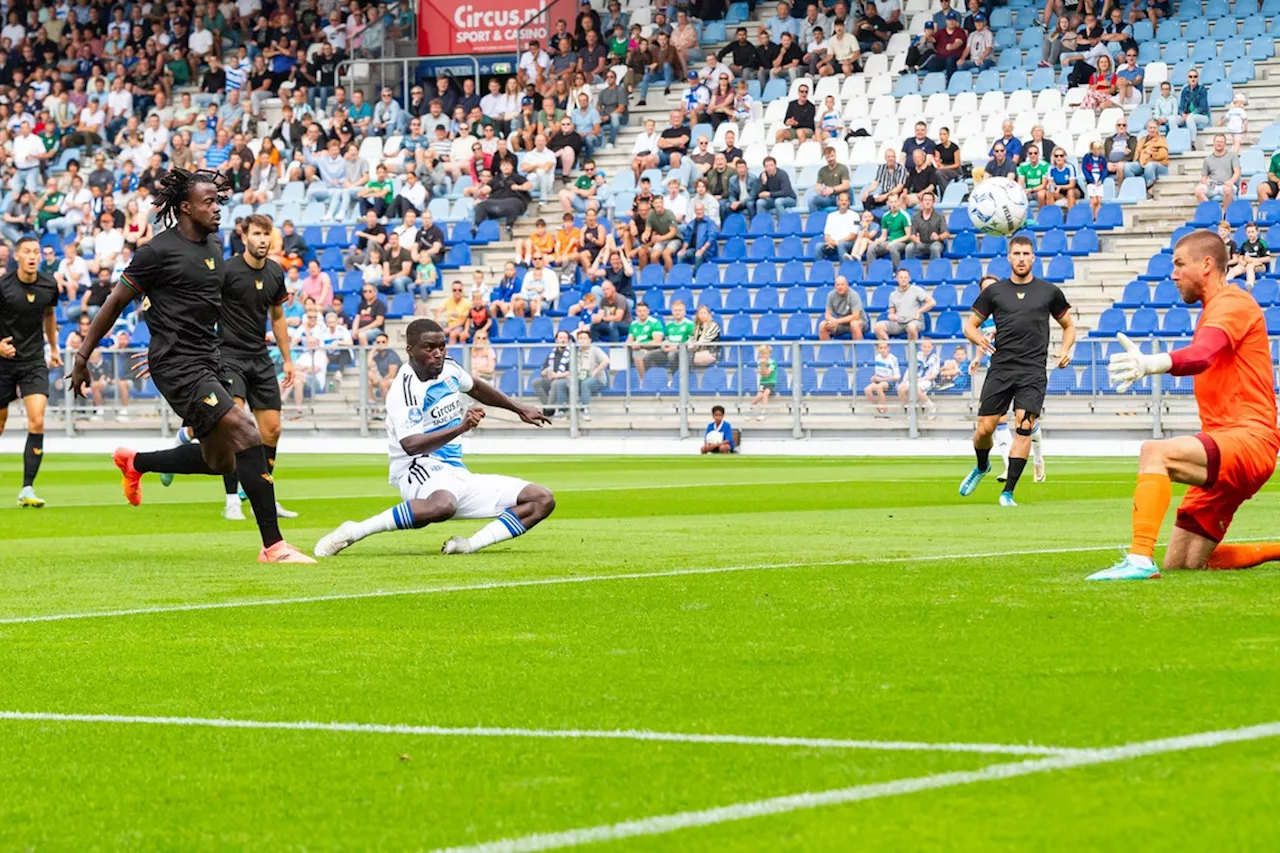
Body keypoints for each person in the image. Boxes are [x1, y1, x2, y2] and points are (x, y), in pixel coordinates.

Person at [68, 169, 312, 563]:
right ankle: (274, 546)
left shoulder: (215, 247)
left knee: (221, 461)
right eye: (208, 202)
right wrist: (83, 357)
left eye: (218, 200)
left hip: (207, 359)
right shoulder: (156, 252)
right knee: (247, 431)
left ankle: (135, 462)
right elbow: (114, 302)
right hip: (178, 365)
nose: (217, 208)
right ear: (185, 207)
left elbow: (204, 308)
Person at [1090, 231, 1280, 579]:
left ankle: (1138, 560)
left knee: (1155, 452)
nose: (1173, 274)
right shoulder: (1216, 309)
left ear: (1207, 265)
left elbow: (1202, 355)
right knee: (1185, 562)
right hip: (1232, 442)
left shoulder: (1233, 303)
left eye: (1179, 264)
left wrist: (1152, 363)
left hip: (1248, 440)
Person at [314, 319, 555, 558]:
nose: (438, 354)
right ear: (410, 350)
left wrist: (519, 408)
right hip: (416, 468)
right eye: (429, 348)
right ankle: (355, 531)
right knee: (443, 506)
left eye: (442, 346)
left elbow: (477, 388)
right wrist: (461, 428)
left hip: (454, 471)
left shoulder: (449, 368)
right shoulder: (405, 389)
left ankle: (468, 545)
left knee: (541, 499)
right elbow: (412, 445)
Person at [155, 214, 299, 522]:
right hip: (227, 356)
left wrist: (287, 358)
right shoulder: (228, 270)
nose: (262, 240)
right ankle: (232, 499)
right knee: (233, 427)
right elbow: (204, 308)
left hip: (260, 358)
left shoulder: (275, 272)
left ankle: (265, 495)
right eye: (257, 234)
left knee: (272, 430)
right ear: (244, 235)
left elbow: (277, 317)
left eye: (267, 234)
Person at [959, 236, 1076, 508]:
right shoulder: (994, 292)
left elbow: (1069, 326)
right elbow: (970, 326)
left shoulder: (1049, 292)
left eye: (1026, 253)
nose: (1022, 258)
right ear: (1009, 258)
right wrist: (978, 340)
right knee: (985, 429)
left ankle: (1008, 492)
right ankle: (982, 466)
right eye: (1017, 253)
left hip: (1033, 371)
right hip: (1001, 368)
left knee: (1024, 427)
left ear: (1033, 258)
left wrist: (1067, 349)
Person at [0, 237, 59, 507]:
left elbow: (48, 314)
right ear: (17, 256)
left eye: (36, 251)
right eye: (27, 252)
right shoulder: (3, 286)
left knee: (37, 419)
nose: (33, 256)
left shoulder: (49, 284)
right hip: (4, 363)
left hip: (34, 361)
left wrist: (54, 348)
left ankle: (27, 488)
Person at [1195, 134, 1241, 218]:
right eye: (1217, 142)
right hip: (1213, 185)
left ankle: (1225, 214)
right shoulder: (1208, 159)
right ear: (1213, 143)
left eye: (1221, 142)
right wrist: (1206, 182)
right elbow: (1203, 177)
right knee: (1198, 190)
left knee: (1227, 190)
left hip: (1226, 184)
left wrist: (1231, 181)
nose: (1219, 144)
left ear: (1225, 143)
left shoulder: (1232, 156)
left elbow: (1237, 172)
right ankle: (1211, 210)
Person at [899, 338, 939, 418]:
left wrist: (920, 380)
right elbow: (910, 369)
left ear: (932, 347)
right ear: (921, 347)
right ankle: (911, 409)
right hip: (915, 379)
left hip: (927, 380)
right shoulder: (917, 356)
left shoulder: (935, 358)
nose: (926, 348)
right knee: (901, 388)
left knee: (915, 387)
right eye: (924, 346)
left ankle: (932, 407)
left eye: (928, 346)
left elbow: (934, 375)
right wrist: (904, 380)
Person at [819, 275, 865, 340]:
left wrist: (837, 321)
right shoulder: (831, 295)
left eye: (842, 285)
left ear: (847, 285)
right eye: (838, 285)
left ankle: (859, 349)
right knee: (823, 325)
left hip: (859, 322)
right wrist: (833, 321)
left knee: (854, 324)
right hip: (841, 323)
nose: (840, 287)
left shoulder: (854, 295)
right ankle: (827, 349)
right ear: (835, 286)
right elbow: (827, 315)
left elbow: (856, 316)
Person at [628, 302, 665, 380]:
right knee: (617, 355)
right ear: (636, 312)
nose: (642, 313)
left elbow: (657, 342)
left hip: (653, 349)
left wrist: (641, 345)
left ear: (648, 311)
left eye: (644, 311)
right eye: (640, 311)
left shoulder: (654, 322)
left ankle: (643, 380)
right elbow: (629, 341)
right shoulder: (633, 324)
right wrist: (631, 345)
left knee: (638, 355)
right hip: (637, 348)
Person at [864, 342, 900, 416]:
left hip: (889, 381)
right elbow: (877, 373)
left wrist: (881, 379)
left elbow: (897, 377)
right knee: (867, 390)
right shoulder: (877, 357)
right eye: (881, 348)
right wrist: (874, 377)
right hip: (879, 380)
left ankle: (885, 410)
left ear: (888, 348)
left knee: (879, 387)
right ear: (878, 349)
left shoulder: (893, 359)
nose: (883, 350)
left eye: (885, 348)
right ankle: (879, 410)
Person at [1233, 221, 1270, 291]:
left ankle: (1249, 285)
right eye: (1248, 232)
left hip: (1260, 265)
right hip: (1246, 264)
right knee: (1235, 269)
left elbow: (1268, 258)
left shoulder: (1262, 243)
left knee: (1250, 266)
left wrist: (1253, 260)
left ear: (1257, 232)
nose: (1250, 234)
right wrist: (1242, 262)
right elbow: (1240, 257)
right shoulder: (1244, 244)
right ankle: (1226, 283)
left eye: (1252, 232)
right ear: (1246, 233)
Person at [749, 344, 777, 421]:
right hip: (763, 383)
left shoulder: (772, 362)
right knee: (759, 396)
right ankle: (750, 409)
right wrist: (762, 365)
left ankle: (763, 412)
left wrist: (763, 365)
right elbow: (762, 374)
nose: (764, 355)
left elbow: (767, 373)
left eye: (766, 353)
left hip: (770, 382)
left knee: (765, 394)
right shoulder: (759, 362)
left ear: (769, 354)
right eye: (762, 354)